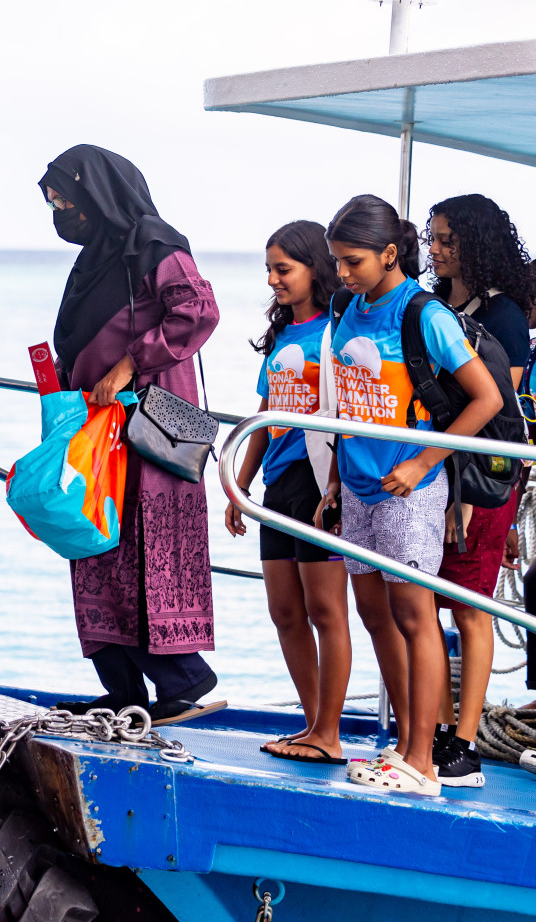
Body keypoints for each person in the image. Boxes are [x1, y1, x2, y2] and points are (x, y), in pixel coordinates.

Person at [313, 194, 502, 797]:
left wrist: (423, 460)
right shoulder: (347, 307)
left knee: (417, 616)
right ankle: (403, 745)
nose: (340, 274)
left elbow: (486, 398)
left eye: (352, 262)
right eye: (337, 262)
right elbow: (347, 397)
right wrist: (336, 479)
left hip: (410, 489)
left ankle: (422, 758)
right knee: (380, 617)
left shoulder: (423, 314)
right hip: (360, 487)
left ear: (390, 254)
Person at [42, 144, 221, 723]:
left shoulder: (154, 244)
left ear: (97, 194)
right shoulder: (97, 255)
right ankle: (122, 690)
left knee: (142, 554)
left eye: (66, 199)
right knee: (93, 544)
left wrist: (130, 363)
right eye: (53, 202)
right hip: (99, 427)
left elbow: (197, 311)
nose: (61, 211)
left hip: (154, 422)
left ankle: (185, 679)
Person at [225, 221, 351, 762]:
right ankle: (310, 724)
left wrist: (339, 487)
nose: (274, 280)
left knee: (326, 610)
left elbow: (352, 412)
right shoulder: (282, 337)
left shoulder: (336, 330)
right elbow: (266, 412)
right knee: (285, 611)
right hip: (277, 481)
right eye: (270, 271)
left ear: (313, 268)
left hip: (318, 481)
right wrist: (240, 483)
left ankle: (331, 732)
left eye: (284, 269)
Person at [425, 193, 535, 787]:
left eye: (448, 239)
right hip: (429, 474)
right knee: (423, 602)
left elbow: (497, 409)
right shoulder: (433, 305)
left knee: (469, 607)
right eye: (432, 239)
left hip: (481, 479)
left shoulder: (505, 316)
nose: (436, 250)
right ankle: (435, 730)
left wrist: (462, 489)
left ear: (477, 243)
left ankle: (464, 743)